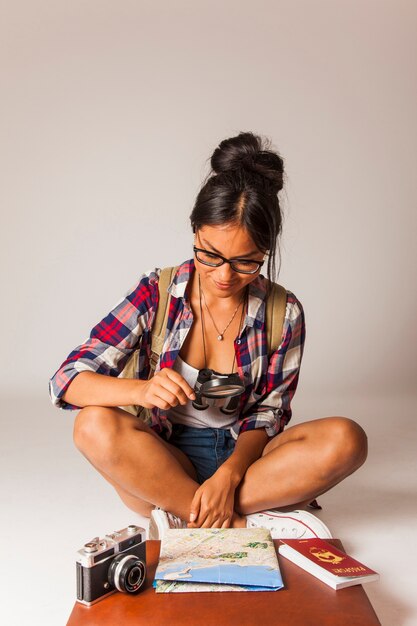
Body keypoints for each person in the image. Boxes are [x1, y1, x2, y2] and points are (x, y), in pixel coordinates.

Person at [48, 131, 368, 539]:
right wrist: (142, 391)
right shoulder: (157, 293)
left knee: (347, 438)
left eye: (245, 263)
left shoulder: (283, 313)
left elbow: (269, 413)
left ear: (265, 252)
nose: (223, 275)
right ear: (195, 230)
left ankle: (192, 512)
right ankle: (232, 522)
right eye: (209, 255)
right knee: (91, 425)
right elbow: (67, 379)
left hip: (250, 467)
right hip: (165, 461)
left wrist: (230, 475)